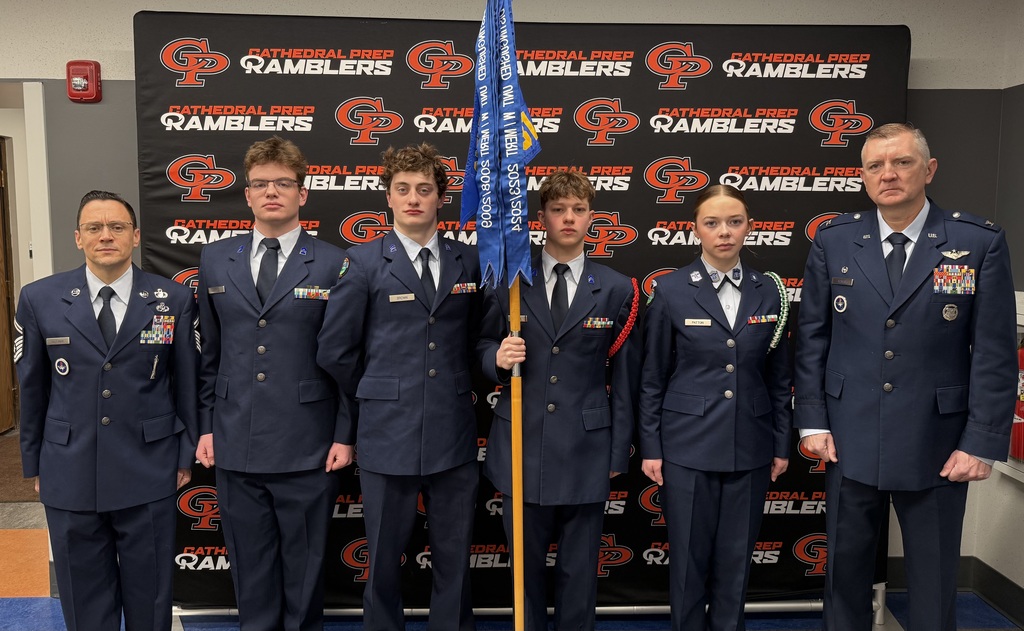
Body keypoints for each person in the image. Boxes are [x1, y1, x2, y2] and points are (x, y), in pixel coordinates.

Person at [795, 122, 1017, 631]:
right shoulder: (834, 240)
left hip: (938, 442)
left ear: (929, 169)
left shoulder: (977, 242)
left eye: (902, 162)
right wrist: (812, 421)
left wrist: (981, 443)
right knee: (844, 576)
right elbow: (812, 338)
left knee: (934, 582)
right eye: (875, 166)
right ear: (863, 176)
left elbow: (994, 353)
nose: (888, 174)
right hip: (849, 436)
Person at [317, 142, 481, 631]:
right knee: (384, 557)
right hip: (386, 431)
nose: (413, 198)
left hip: (453, 429)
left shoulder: (469, 261)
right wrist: (377, 389)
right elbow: (335, 349)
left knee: (455, 556)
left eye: (424, 189)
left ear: (441, 198)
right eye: (403, 189)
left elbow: (478, 338)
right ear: (388, 197)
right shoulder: (363, 261)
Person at [15, 190, 198, 631]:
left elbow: (187, 384)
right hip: (69, 469)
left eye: (117, 227)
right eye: (94, 228)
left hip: (149, 466)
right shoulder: (39, 298)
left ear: (135, 236)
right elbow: (32, 388)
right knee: (84, 600)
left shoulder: (173, 299)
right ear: (78, 238)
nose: (106, 236)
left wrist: (184, 455)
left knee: (150, 598)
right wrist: (35, 463)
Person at [195, 136, 350, 631]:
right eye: (260, 183)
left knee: (304, 571)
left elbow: (348, 360)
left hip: (309, 442)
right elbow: (209, 354)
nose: (271, 192)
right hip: (234, 438)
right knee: (250, 566)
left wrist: (344, 433)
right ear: (247, 195)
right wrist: (205, 426)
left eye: (283, 183)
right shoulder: (215, 259)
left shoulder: (335, 262)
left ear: (302, 193)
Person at [480, 169, 641, 631]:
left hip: (587, 450)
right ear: (541, 218)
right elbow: (478, 344)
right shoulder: (510, 280)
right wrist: (496, 357)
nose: (568, 218)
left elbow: (626, 380)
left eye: (578, 209)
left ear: (592, 217)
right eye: (558, 209)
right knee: (524, 574)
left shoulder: (617, 288)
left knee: (579, 573)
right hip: (521, 445)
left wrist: (618, 451)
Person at [639, 184, 792, 631]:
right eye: (712, 223)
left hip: (751, 444)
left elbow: (779, 378)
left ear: (749, 227)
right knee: (688, 561)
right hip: (687, 447)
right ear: (696, 230)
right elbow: (652, 378)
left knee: (736, 560)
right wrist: (651, 447)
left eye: (734, 222)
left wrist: (781, 443)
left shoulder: (771, 291)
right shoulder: (670, 290)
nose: (724, 232)